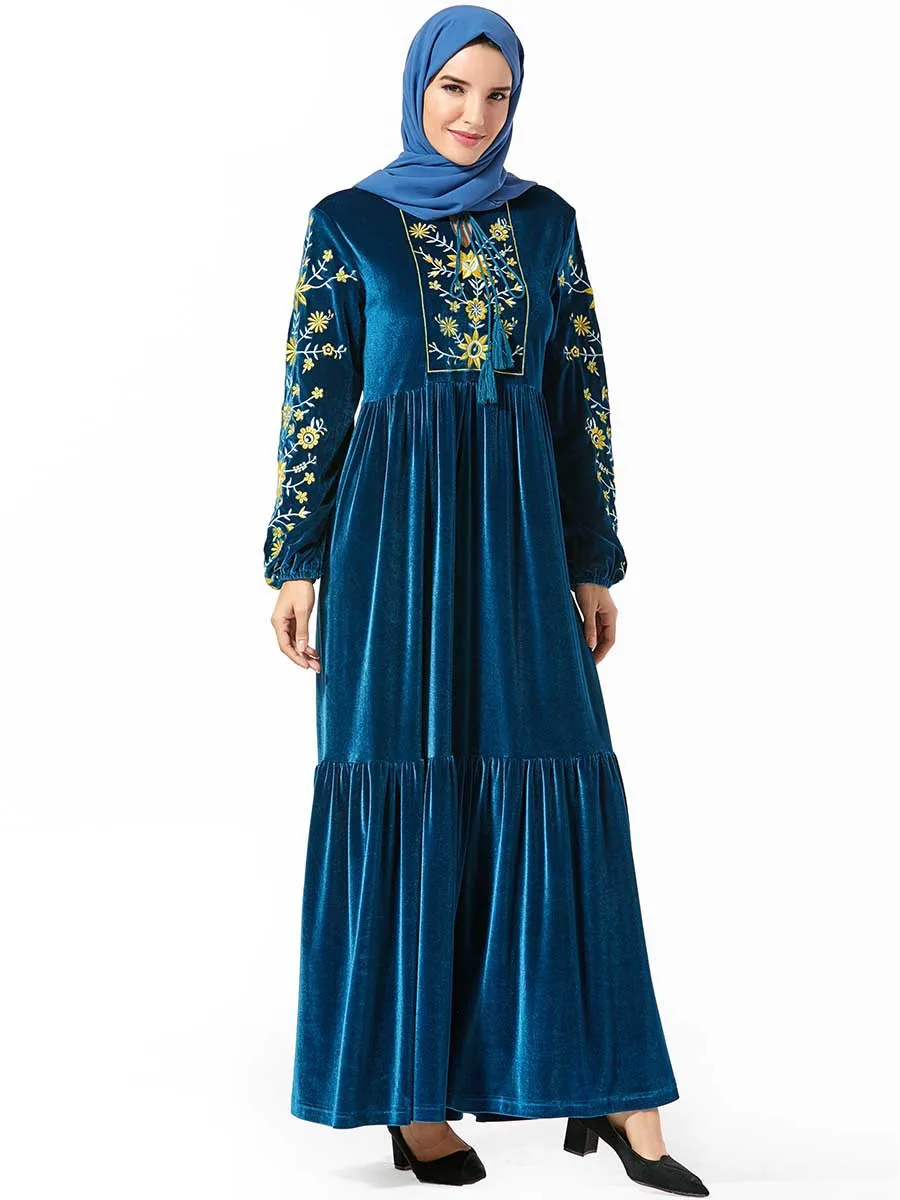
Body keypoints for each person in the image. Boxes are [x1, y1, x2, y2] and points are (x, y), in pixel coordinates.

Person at [263, 5, 709, 1194]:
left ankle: (617, 1089)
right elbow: (316, 392)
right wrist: (296, 556)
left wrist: (591, 558)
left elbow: (579, 397)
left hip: (517, 536)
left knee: (561, 770)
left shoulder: (546, 221)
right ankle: (413, 1105)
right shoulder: (349, 223)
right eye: (453, 89)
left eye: (497, 94)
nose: (473, 114)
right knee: (408, 780)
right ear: (418, 89)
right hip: (388, 545)